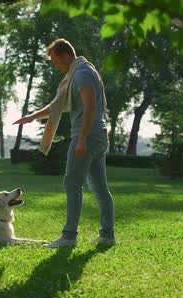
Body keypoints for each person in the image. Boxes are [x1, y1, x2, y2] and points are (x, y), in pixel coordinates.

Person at [13, 38, 115, 248]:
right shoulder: (82, 72)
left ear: (65, 55)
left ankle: (69, 237)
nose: (56, 67)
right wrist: (32, 117)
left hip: (88, 136)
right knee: (100, 188)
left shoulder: (82, 74)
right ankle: (107, 235)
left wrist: (81, 138)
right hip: (98, 135)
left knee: (72, 184)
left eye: (56, 62)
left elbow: (90, 107)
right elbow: (58, 105)